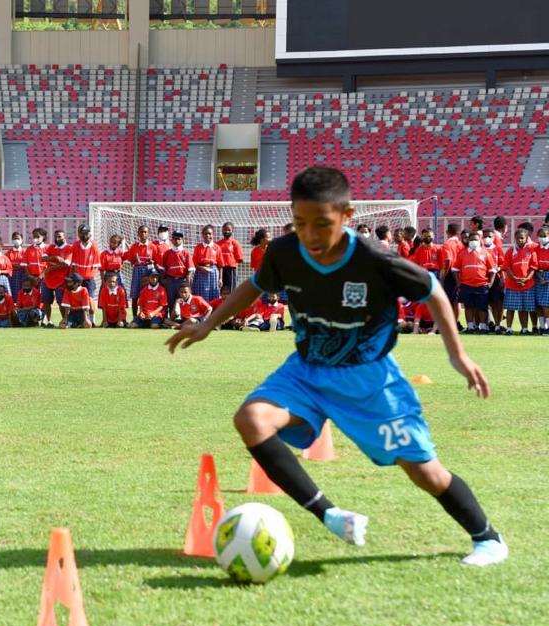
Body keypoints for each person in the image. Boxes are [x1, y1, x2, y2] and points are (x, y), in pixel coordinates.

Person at [167, 166, 506, 567]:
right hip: (306, 372)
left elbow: (433, 291)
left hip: (370, 380)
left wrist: (457, 354)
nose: (310, 235)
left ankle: (487, 538)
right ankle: (328, 514)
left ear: (347, 216)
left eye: (322, 224)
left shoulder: (374, 258)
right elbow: (255, 286)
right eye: (300, 222)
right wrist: (209, 323)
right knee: (251, 419)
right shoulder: (284, 253)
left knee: (425, 472)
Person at [453, 229, 497, 334]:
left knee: (482, 307)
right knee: (468, 307)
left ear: (480, 240)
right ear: (468, 240)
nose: (474, 241)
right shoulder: (462, 253)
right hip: (466, 285)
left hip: (482, 285)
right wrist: (458, 282)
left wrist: (490, 283)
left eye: (476, 239)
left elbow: (492, 271)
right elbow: (455, 270)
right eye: (471, 239)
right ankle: (470, 327)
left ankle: (483, 327)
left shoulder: (486, 253)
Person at [501, 225, 538, 335]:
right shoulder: (510, 251)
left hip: (528, 284)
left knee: (524, 308)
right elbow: (506, 267)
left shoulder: (531, 250)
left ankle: (525, 329)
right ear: (515, 238)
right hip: (512, 284)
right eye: (518, 238)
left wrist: (527, 278)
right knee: (510, 308)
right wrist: (515, 278)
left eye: (522, 238)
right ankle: (508, 329)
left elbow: (533, 267)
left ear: (526, 238)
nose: (520, 240)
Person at [41, 229, 71, 327]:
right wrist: (56, 258)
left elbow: (66, 263)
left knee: (61, 301)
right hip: (48, 279)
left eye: (59, 236)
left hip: (61, 280)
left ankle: (64, 320)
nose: (57, 238)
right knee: (46, 301)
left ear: (64, 237)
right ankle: (49, 321)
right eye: (56, 236)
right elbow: (43, 258)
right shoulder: (51, 247)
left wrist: (51, 268)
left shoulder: (69, 248)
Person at [125, 224, 157, 318]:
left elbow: (156, 261)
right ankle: (135, 317)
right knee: (135, 295)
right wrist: (137, 262)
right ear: (138, 234)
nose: (143, 234)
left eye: (145, 232)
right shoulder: (134, 247)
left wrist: (152, 262)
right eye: (141, 232)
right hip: (137, 271)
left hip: (149, 271)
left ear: (148, 234)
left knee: (148, 294)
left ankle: (147, 315)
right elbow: (131, 260)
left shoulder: (153, 247)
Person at [439, 223, 464, 331]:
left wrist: (443, 274)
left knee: (449, 300)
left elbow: (448, 260)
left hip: (451, 274)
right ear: (458, 233)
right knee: (457, 301)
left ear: (447, 232)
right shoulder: (461, 244)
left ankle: (451, 324)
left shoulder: (447, 244)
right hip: (461, 273)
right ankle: (456, 322)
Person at [481, 227, 506, 334]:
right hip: (482, 278)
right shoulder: (479, 249)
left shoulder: (497, 249)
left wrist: (498, 269)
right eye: (485, 236)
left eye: (489, 236)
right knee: (484, 303)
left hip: (496, 279)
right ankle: (485, 325)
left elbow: (503, 263)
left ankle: (498, 325)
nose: (487, 238)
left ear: (493, 237)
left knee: (497, 303)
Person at [160, 230, 193, 308]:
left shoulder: (186, 253)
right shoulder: (167, 253)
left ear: (182, 240)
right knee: (170, 302)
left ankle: (183, 319)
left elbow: (191, 269)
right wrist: (163, 280)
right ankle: (170, 319)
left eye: (179, 238)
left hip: (182, 281)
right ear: (172, 240)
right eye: (175, 238)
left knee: (182, 301)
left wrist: (188, 280)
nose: (177, 240)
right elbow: (162, 269)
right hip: (170, 281)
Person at [68, 224, 100, 298]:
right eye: (82, 233)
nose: (84, 235)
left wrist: (93, 279)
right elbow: (72, 265)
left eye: (86, 233)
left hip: (89, 280)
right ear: (78, 234)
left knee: (90, 299)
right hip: (77, 280)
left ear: (89, 234)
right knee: (76, 299)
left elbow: (96, 267)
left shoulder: (94, 246)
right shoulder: (75, 246)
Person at [192, 225, 221, 302]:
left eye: (210, 233)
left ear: (213, 235)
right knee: (201, 293)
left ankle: (213, 312)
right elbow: (194, 262)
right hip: (200, 272)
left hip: (213, 272)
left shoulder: (217, 247)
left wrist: (220, 279)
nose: (208, 235)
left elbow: (220, 265)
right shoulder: (198, 247)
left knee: (213, 293)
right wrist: (201, 268)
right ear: (202, 235)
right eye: (205, 233)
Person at [216, 221, 244, 295]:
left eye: (229, 230)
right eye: (225, 230)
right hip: (219, 269)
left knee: (231, 290)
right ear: (222, 230)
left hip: (231, 270)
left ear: (232, 231)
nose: (227, 231)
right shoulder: (217, 244)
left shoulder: (235, 243)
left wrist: (231, 262)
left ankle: (231, 305)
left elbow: (240, 259)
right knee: (219, 288)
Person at [535, 226, 549, 335]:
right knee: (538, 304)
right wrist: (540, 278)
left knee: (546, 304)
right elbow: (533, 265)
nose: (542, 238)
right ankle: (541, 326)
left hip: (547, 277)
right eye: (540, 236)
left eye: (545, 236)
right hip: (538, 277)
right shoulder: (536, 249)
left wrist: (547, 280)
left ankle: (547, 326)